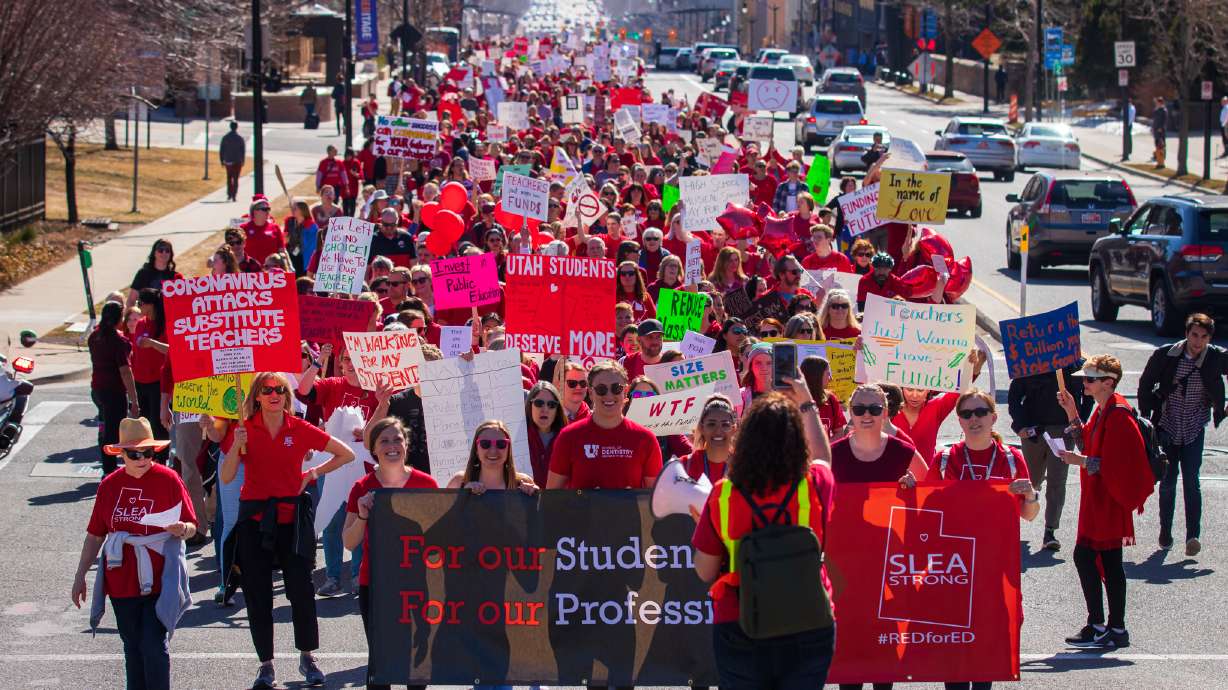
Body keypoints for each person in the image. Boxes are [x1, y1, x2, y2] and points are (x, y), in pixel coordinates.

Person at [692, 388, 836, 690]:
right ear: (798, 441)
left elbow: (705, 571)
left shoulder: (723, 493)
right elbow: (824, 457)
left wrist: (711, 527)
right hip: (808, 619)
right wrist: (806, 400)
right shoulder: (816, 484)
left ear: (743, 440)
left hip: (739, 621)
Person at [221, 372, 356, 688]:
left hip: (292, 519)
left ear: (286, 395)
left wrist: (312, 473)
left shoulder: (299, 428)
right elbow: (227, 477)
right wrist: (234, 447)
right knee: (257, 594)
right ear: (257, 395)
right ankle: (265, 664)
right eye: (267, 390)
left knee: (301, 589)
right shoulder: (245, 429)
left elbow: (345, 454)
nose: (274, 394)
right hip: (254, 520)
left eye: (280, 389)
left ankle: (307, 657)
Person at [72, 417, 197, 690]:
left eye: (148, 452)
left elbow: (193, 526)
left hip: (161, 578)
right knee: (132, 646)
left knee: (154, 645)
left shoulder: (169, 479)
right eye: (134, 453)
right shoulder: (109, 485)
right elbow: (95, 535)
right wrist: (80, 575)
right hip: (121, 580)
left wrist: (182, 529)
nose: (142, 458)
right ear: (121, 454)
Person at [931, 388, 1037, 690]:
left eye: (980, 413)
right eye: (966, 414)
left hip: (994, 566)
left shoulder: (1011, 459)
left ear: (994, 417)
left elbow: (1029, 515)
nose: (973, 419)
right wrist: (910, 487)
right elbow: (923, 510)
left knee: (987, 642)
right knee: (955, 646)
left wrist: (1029, 494)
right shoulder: (944, 458)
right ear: (959, 420)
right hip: (953, 566)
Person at [1056, 355, 1154, 650]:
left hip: (1110, 500)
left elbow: (1116, 465)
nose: (1084, 383)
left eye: (1089, 379)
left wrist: (1080, 461)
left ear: (1108, 382)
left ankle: (1114, 627)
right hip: (1098, 499)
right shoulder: (1103, 410)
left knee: (1106, 562)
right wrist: (1072, 411)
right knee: (1092, 558)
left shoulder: (1119, 414)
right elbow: (1086, 443)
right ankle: (1101, 625)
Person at [342, 417, 437, 690]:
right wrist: (362, 515)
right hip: (376, 585)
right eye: (384, 441)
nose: (392, 446)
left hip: (418, 585)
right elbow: (349, 542)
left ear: (407, 445)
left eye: (397, 439)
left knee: (416, 662)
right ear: (374, 449)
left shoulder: (426, 484)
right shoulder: (362, 488)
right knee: (381, 664)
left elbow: (441, 536)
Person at [1138, 313, 1225, 556]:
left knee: (1191, 481)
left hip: (1194, 426)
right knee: (1167, 481)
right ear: (1186, 334)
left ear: (1209, 338)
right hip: (1167, 424)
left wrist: (1221, 406)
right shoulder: (1167, 354)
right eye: (1194, 335)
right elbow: (1146, 383)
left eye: (1204, 336)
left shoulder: (1215, 357)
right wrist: (1146, 417)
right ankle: (1165, 532)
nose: (1198, 341)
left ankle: (1192, 536)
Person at [1008, 362, 1090, 552]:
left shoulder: (1076, 366)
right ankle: (1016, 519)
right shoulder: (1028, 363)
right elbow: (1014, 397)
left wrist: (1079, 423)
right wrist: (1020, 426)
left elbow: (1087, 398)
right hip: (1034, 431)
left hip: (1063, 430)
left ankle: (1050, 531)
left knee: (1057, 481)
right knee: (1031, 481)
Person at [546, 361, 663, 490]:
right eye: (601, 389)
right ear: (591, 393)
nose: (609, 395)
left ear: (625, 391)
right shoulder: (568, 437)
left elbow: (654, 498)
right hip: (583, 511)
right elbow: (552, 496)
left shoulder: (646, 439)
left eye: (616, 388)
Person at [893, 349, 986, 464]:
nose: (915, 395)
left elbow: (960, 388)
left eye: (921, 390)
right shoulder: (890, 408)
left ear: (929, 390)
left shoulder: (936, 407)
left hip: (926, 476)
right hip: (892, 475)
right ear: (902, 389)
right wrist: (862, 354)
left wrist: (972, 365)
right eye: (909, 389)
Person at [89, 301, 141, 475]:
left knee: (104, 428)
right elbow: (125, 372)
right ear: (120, 318)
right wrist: (134, 400)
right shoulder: (119, 341)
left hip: (97, 390)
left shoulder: (95, 336)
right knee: (114, 432)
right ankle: (110, 469)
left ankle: (107, 465)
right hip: (114, 392)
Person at [447, 420, 540, 494]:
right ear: (476, 450)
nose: (493, 451)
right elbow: (440, 515)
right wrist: (462, 496)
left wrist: (535, 496)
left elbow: (539, 516)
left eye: (501, 444)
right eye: (485, 444)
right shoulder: (459, 482)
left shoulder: (522, 482)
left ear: (509, 449)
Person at [130, 289, 170, 440]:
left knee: (158, 423)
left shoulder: (165, 324)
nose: (138, 306)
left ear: (151, 305)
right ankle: (147, 455)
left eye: (140, 303)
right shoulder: (141, 324)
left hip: (157, 381)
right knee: (143, 423)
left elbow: (172, 351)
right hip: (140, 380)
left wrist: (153, 344)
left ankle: (161, 457)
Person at [682, 394, 738, 483]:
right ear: (701, 427)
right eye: (711, 424)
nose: (718, 431)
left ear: (734, 429)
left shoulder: (743, 466)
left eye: (725, 425)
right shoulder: (684, 465)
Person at [525, 382, 565, 486]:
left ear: (557, 409)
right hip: (524, 499)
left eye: (551, 405)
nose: (545, 409)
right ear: (530, 405)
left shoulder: (568, 438)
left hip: (559, 500)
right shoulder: (518, 437)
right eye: (539, 403)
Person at [800, 356, 846, 439]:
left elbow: (839, 433)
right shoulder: (793, 401)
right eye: (828, 374)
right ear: (817, 376)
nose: (831, 379)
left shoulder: (831, 399)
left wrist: (824, 448)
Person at [126, 239, 181, 308]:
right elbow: (131, 300)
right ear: (154, 253)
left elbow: (181, 302)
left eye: (167, 250)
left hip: (166, 316)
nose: (164, 253)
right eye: (160, 250)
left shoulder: (175, 276)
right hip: (146, 315)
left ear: (171, 254)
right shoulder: (143, 273)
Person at [241, 196, 287, 265]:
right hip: (250, 270)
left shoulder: (275, 227)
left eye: (268, 209)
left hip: (271, 270)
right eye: (264, 209)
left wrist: (282, 259)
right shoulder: (243, 228)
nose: (267, 211)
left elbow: (281, 250)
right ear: (255, 211)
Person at [220, 121, 245, 202]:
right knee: (236, 178)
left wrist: (221, 160)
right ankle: (234, 195)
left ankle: (229, 194)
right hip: (237, 161)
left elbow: (222, 150)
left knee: (229, 178)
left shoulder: (225, 137)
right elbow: (243, 151)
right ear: (236, 127)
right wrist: (243, 160)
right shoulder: (240, 138)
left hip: (228, 161)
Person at [1151, 96, 1168, 169]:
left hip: (1161, 130)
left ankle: (1162, 158)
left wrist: (1161, 128)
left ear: (1161, 102)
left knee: (1161, 144)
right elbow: (1155, 118)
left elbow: (1165, 120)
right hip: (1156, 129)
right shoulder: (1157, 110)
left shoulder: (1164, 110)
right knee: (1157, 143)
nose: (1157, 104)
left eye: (1158, 102)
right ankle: (1158, 157)